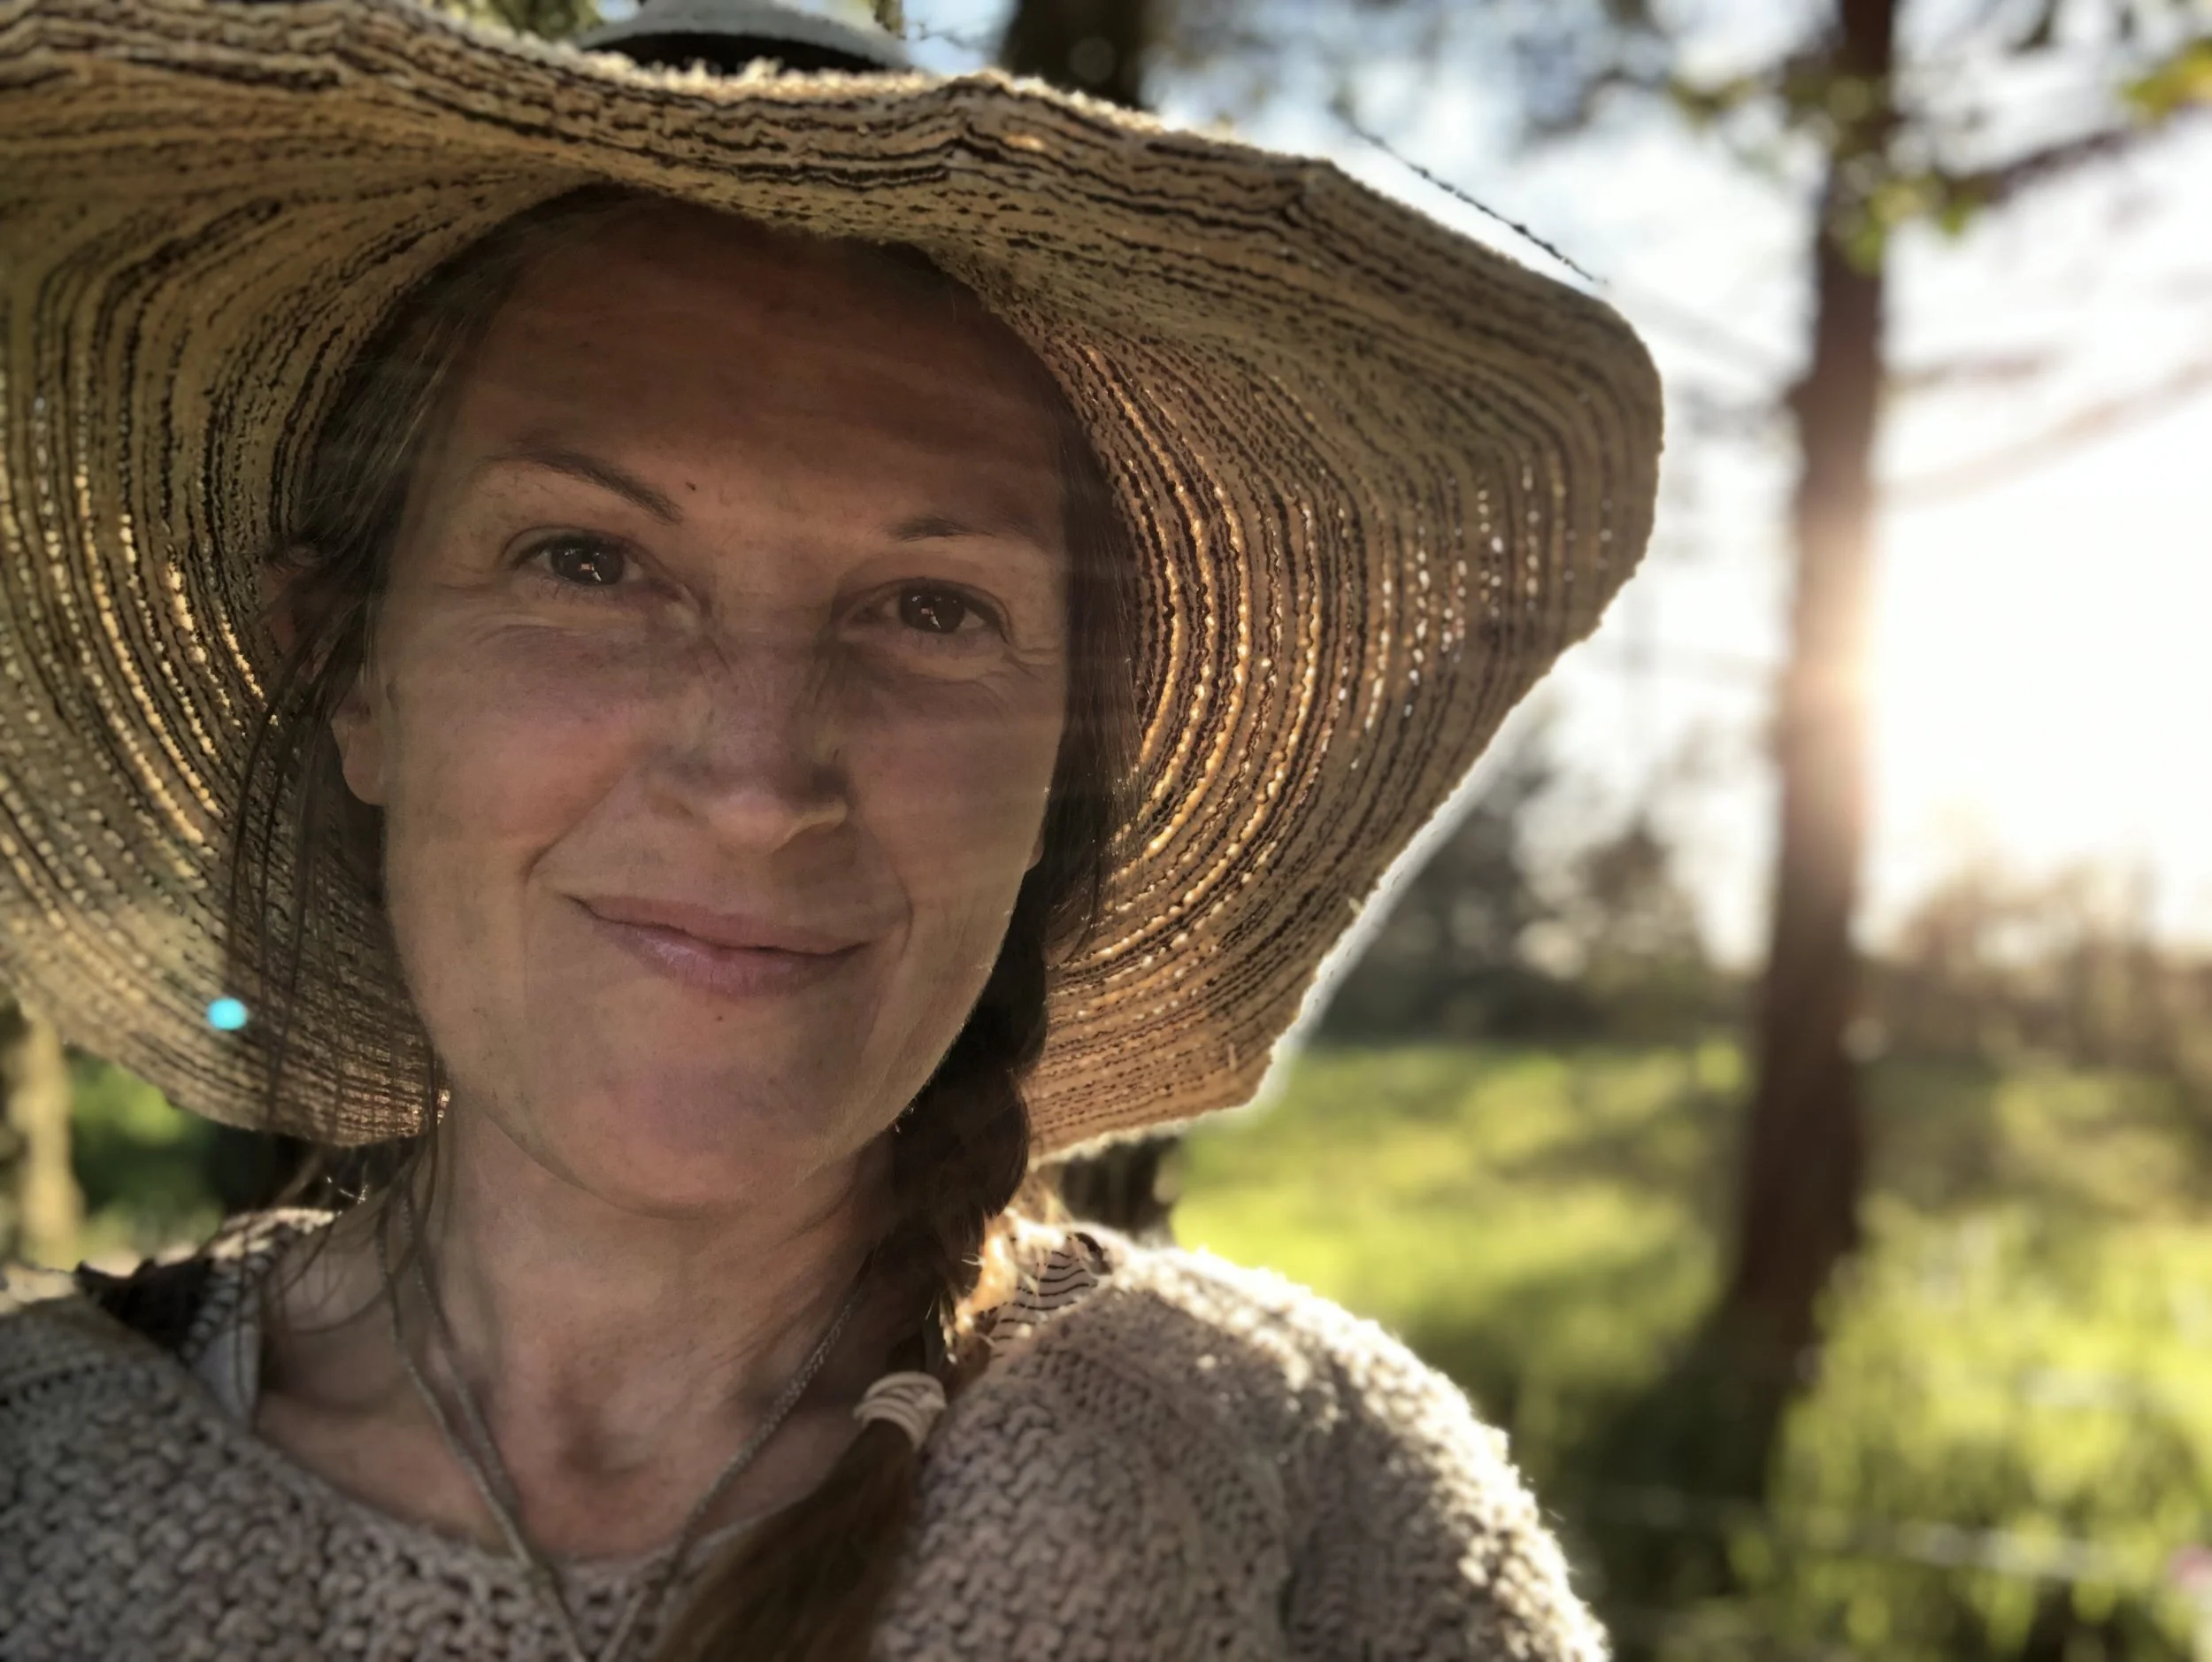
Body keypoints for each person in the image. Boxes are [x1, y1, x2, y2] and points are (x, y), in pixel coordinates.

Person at [0, 0, 1662, 1657]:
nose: (756, 780)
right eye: (587, 562)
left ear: (1064, 763)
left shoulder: (1315, 1501)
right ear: (354, 671)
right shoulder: (40, 1489)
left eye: (932, 606)